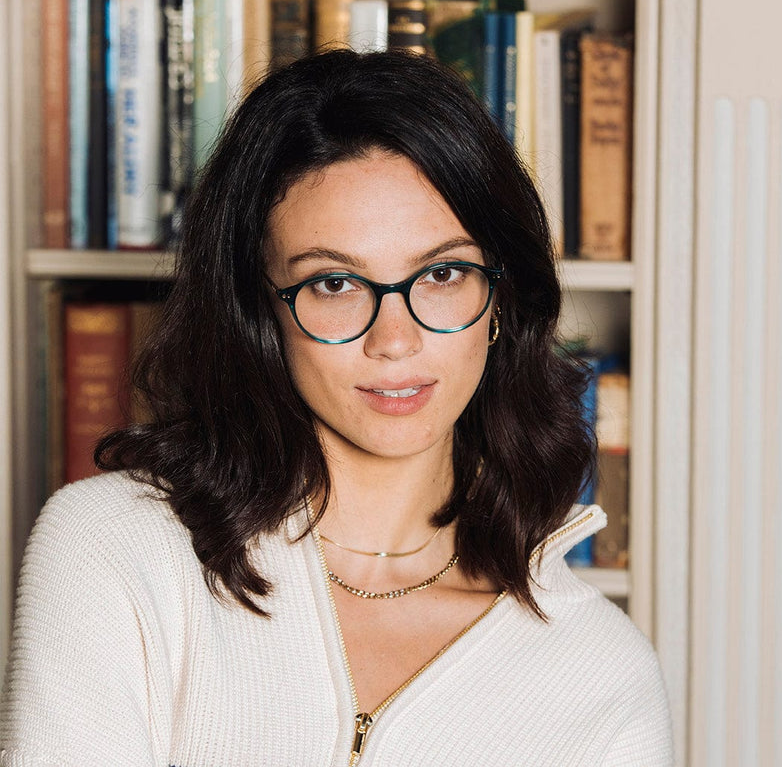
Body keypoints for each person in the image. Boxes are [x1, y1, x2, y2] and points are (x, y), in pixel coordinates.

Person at [0, 49, 672, 766]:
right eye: (334, 284)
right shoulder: (116, 550)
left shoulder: (603, 674)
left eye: (442, 273)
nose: (395, 339)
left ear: (500, 297)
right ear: (260, 311)